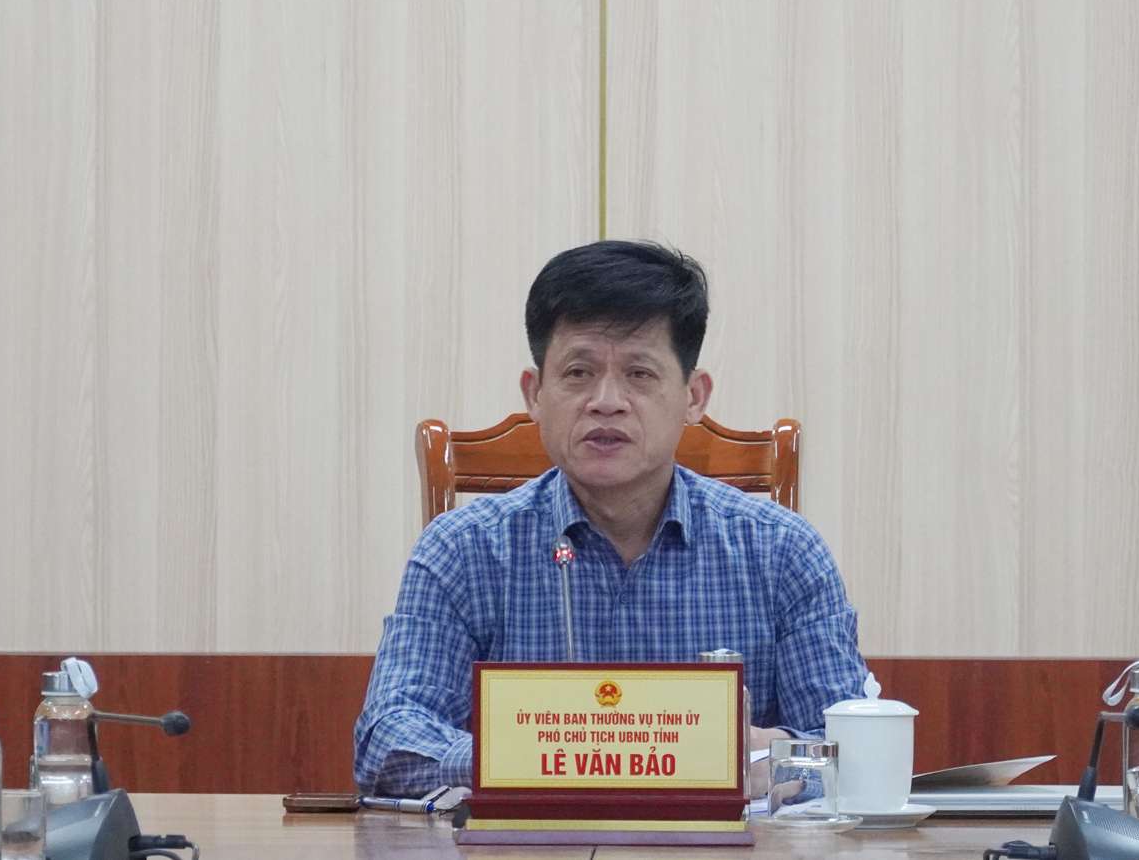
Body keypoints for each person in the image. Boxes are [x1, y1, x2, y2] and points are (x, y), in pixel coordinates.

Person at [352, 240, 867, 794]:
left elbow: (853, 753)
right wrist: (550, 757)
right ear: (535, 394)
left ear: (694, 397)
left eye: (640, 374)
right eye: (578, 372)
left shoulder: (782, 552)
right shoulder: (463, 550)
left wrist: (771, 759)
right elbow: (387, 743)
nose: (606, 401)